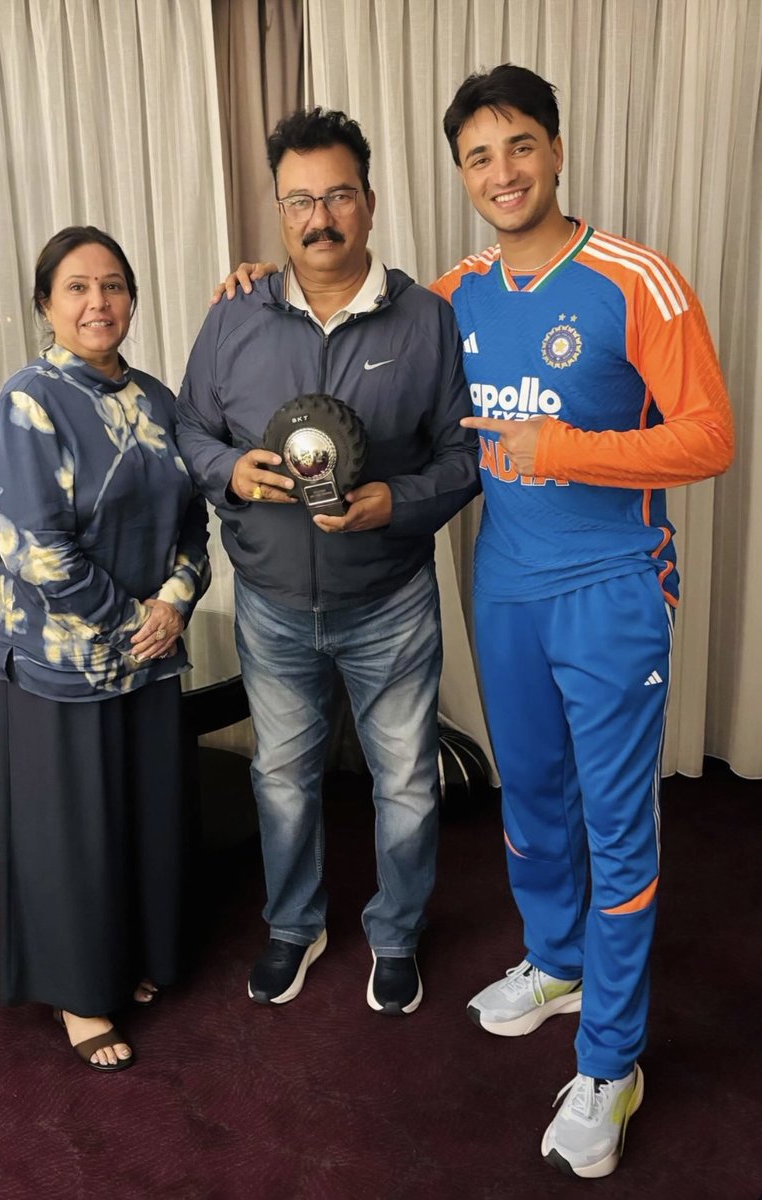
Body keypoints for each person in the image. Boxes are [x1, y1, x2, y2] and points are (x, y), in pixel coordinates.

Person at [432, 64, 734, 1177]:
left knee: (618, 826)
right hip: (504, 583)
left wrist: (568, 451)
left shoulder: (632, 278)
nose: (501, 172)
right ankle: (554, 960)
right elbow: (360, 341)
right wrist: (262, 286)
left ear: (555, 150)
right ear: (460, 173)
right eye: (478, 156)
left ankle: (613, 1059)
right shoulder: (456, 290)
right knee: (534, 797)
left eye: (518, 147)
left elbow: (710, 437)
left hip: (613, 586)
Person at [177, 108, 479, 1017]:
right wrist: (232, 470)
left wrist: (401, 499)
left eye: (338, 194)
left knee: (405, 782)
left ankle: (395, 934)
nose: (320, 217)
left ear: (371, 203)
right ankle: (293, 925)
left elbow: (466, 458)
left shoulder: (428, 319)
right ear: (277, 211)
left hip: (387, 598)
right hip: (271, 600)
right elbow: (188, 429)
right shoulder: (235, 315)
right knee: (281, 776)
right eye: (299, 199)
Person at [0, 226, 211, 1072]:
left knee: (138, 811)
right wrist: (131, 616)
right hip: (58, 660)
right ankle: (79, 990)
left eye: (112, 286)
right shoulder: (28, 400)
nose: (96, 303)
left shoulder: (155, 397)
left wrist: (174, 603)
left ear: (132, 299)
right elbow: (38, 550)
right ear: (45, 304)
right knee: (72, 826)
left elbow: (191, 521)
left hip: (149, 644)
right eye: (76, 288)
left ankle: (128, 955)